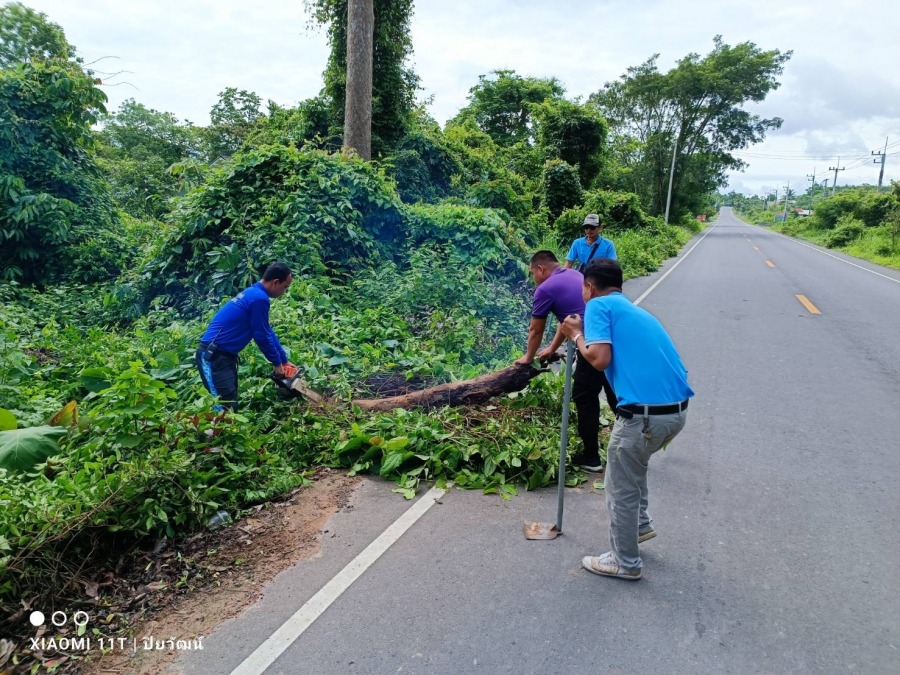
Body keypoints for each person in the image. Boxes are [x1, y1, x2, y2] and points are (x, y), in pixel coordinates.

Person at [561, 258, 694, 581]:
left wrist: (576, 335)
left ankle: (625, 562)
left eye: (583, 288)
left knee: (619, 485)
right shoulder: (631, 309)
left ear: (589, 286)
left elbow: (599, 359)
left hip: (644, 417)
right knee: (635, 466)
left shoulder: (598, 306)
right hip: (674, 413)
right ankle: (640, 525)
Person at [515, 250, 617, 471]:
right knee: (613, 393)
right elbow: (567, 320)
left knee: (585, 397)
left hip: (590, 343)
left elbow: (535, 329)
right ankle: (632, 445)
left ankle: (591, 458)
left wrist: (528, 357)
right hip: (608, 338)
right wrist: (552, 348)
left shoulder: (544, 288)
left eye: (533, 273)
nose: (534, 278)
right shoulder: (574, 275)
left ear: (541, 269)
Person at [196, 262, 295, 411]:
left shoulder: (254, 294)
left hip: (225, 356)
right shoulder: (259, 298)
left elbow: (267, 331)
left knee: (230, 403)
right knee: (223, 407)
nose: (284, 291)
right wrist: (276, 364)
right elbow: (261, 336)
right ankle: (211, 434)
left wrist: (284, 360)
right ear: (275, 282)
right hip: (213, 356)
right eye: (285, 287)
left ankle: (220, 432)